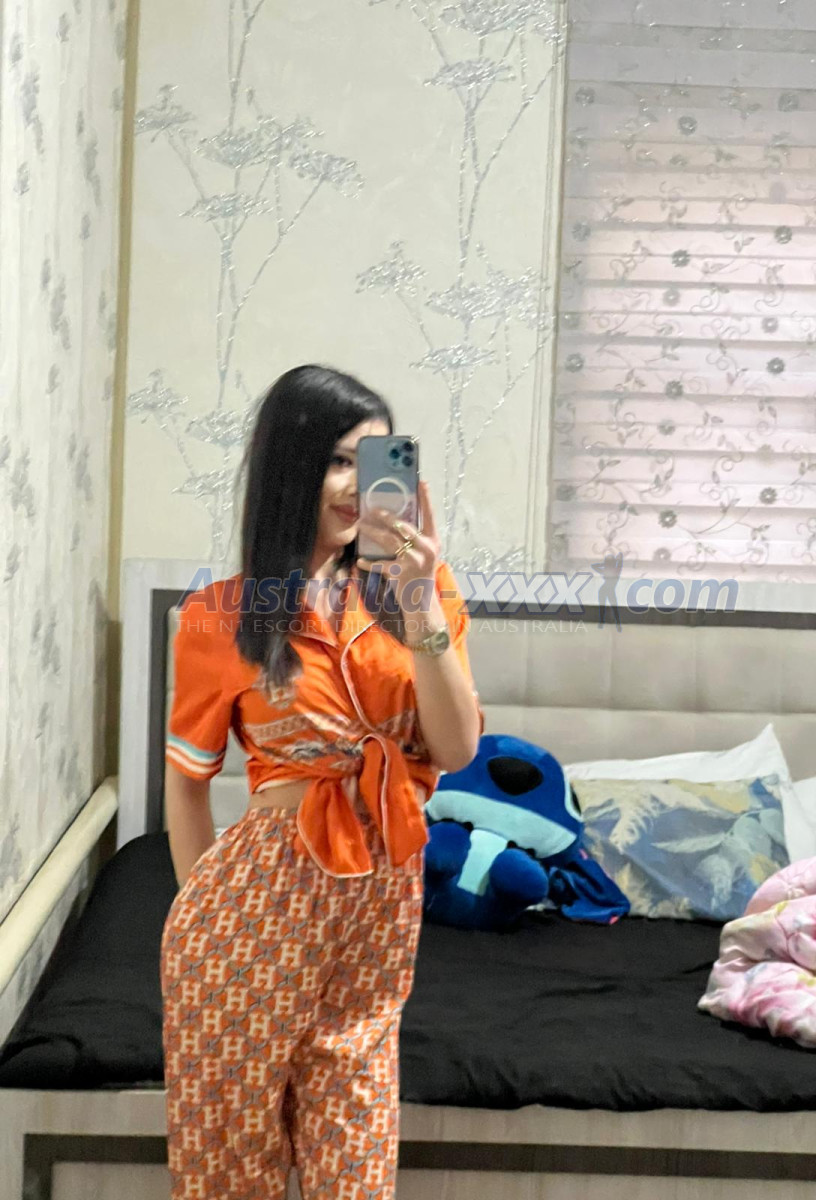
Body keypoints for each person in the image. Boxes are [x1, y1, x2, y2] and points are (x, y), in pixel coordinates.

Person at [159, 364, 484, 1200]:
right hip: (248, 922)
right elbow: (186, 787)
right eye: (338, 461)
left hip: (377, 918)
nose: (357, 486)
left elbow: (455, 748)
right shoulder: (218, 617)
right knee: (230, 1176)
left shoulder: (418, 595)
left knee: (357, 1176)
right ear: (291, 466)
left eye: (372, 462)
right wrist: (209, 916)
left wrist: (421, 604)